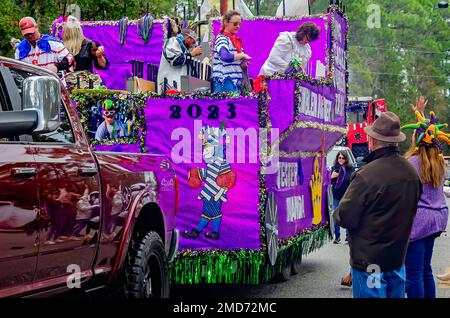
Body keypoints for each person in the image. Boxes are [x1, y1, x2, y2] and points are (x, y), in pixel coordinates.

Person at [333, 111, 422, 298]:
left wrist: (336, 213)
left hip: (370, 263)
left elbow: (346, 217)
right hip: (397, 259)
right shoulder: (411, 174)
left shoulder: (367, 175)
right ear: (396, 141)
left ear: (372, 141)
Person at [401, 97, 450, 298]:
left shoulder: (411, 162)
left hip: (419, 221)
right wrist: (421, 111)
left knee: (413, 273)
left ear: (416, 139)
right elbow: (430, 128)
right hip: (438, 218)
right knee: (425, 269)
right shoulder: (439, 162)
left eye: (414, 134)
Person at [212, 10, 252, 93]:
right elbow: (225, 56)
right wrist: (242, 55)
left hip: (235, 84)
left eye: (239, 24)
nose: (238, 26)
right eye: (235, 23)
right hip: (225, 84)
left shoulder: (234, 41)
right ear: (226, 22)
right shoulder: (222, 38)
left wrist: (242, 65)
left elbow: (232, 61)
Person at [157, 28, 203, 93]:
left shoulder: (182, 46)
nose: (192, 45)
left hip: (177, 85)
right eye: (193, 42)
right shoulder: (173, 41)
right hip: (170, 84)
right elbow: (175, 60)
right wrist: (191, 54)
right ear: (187, 37)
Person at [330, 151, 354, 244]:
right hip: (336, 195)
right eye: (339, 158)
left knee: (347, 216)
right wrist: (331, 177)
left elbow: (353, 181)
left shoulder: (350, 169)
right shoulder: (334, 169)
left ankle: (348, 237)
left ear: (346, 159)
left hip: (347, 196)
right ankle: (337, 236)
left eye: (343, 158)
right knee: (336, 215)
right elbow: (328, 182)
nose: (341, 160)